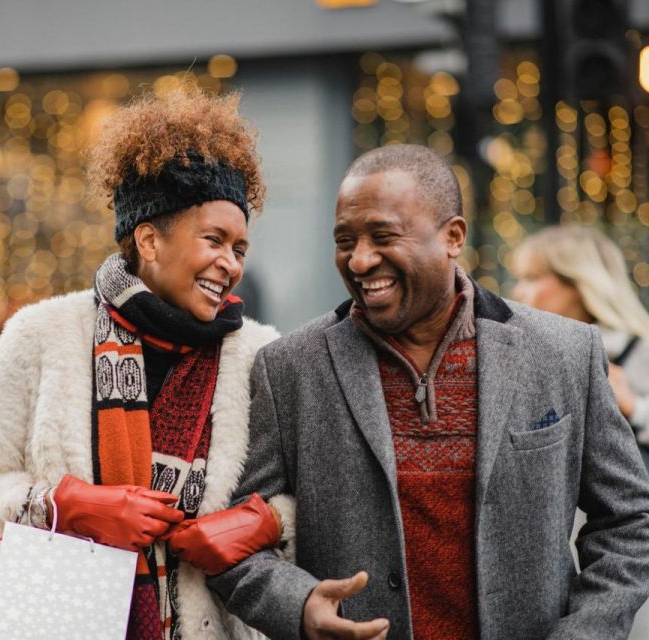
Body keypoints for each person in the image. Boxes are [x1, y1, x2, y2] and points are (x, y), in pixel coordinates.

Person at [208, 144, 649, 640]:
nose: (360, 259)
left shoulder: (565, 352)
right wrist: (299, 605)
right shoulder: (289, 368)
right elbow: (234, 538)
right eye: (345, 240)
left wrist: (585, 633)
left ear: (453, 237)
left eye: (383, 236)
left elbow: (631, 520)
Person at [0, 87, 289, 640]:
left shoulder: (261, 356)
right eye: (214, 240)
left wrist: (264, 522)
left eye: (240, 249)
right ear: (149, 240)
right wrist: (67, 505)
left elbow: (301, 496)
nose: (229, 264)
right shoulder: (41, 336)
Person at [512, 225, 649, 470]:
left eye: (531, 278)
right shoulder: (523, 356)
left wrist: (635, 407)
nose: (518, 291)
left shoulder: (639, 349)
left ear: (577, 283)